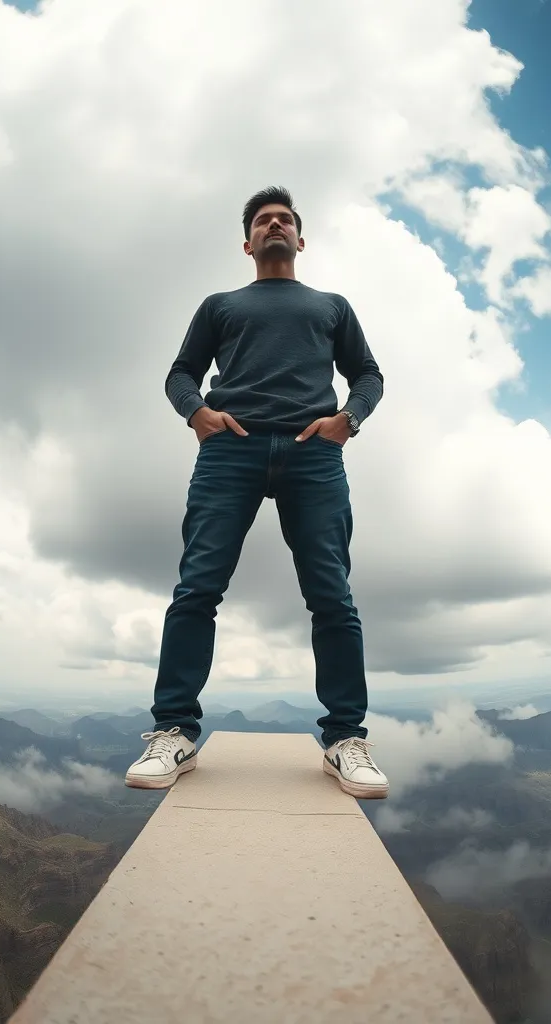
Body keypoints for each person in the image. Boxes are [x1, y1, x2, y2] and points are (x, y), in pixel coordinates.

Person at [124, 186, 388, 800]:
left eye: (285, 220)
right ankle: (173, 733)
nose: (275, 225)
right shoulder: (220, 305)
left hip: (312, 454)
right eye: (263, 221)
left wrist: (349, 419)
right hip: (230, 451)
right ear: (248, 243)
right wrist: (197, 414)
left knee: (332, 596)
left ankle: (346, 740)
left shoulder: (332, 306)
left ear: (300, 238)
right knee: (197, 588)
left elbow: (368, 374)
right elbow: (180, 372)